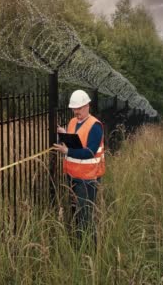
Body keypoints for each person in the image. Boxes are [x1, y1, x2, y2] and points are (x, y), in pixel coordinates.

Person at [53, 89, 105, 245]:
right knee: (76, 211)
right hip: (72, 175)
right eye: (74, 108)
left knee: (85, 215)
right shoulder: (72, 122)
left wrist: (67, 151)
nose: (76, 111)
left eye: (79, 108)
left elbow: (89, 152)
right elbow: (75, 142)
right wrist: (64, 133)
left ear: (87, 105)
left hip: (88, 179)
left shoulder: (95, 126)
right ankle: (79, 244)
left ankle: (90, 248)